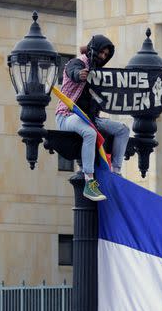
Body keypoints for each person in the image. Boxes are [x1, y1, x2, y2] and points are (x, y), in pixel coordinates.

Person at [56, 34, 131, 201]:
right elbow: (72, 70)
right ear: (94, 50)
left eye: (106, 54)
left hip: (91, 118)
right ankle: (89, 181)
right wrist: (79, 74)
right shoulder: (78, 63)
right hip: (68, 115)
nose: (103, 57)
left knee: (123, 130)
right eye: (101, 53)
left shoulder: (98, 73)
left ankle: (116, 172)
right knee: (90, 133)